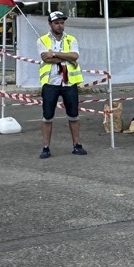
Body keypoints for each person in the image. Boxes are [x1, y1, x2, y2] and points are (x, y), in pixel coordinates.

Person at [38, 11, 85, 159]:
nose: (60, 26)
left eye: (62, 23)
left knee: (74, 115)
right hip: (51, 83)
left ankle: (77, 145)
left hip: (69, 82)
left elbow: (75, 56)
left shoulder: (71, 39)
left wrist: (55, 54)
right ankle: (46, 147)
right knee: (47, 117)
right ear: (50, 24)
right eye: (57, 23)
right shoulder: (42, 40)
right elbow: (46, 59)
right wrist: (66, 57)